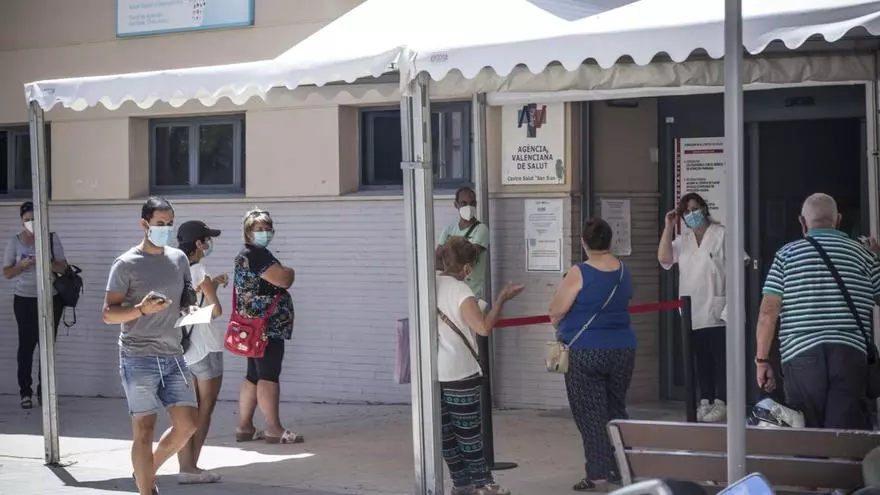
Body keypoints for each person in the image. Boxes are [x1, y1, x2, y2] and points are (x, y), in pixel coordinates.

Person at [756, 193, 880, 430]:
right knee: (844, 434)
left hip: (801, 355)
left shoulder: (786, 255)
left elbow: (768, 312)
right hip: (849, 355)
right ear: (838, 220)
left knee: (808, 433)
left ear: (802, 222)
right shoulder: (864, 255)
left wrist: (762, 360)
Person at [103, 197, 198, 495]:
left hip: (173, 354)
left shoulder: (179, 258)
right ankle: (147, 488)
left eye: (170, 224)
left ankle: (144, 471)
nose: (166, 229)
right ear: (144, 224)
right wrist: (141, 310)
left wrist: (190, 304)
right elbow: (108, 314)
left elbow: (186, 291)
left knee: (187, 425)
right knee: (144, 430)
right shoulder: (125, 264)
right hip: (138, 356)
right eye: (160, 224)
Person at [548, 218, 636, 491]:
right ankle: (622, 468)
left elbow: (555, 312)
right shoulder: (623, 271)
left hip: (585, 350)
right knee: (615, 408)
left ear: (584, 242)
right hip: (623, 349)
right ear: (610, 240)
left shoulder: (579, 272)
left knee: (590, 415)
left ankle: (599, 474)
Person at [435, 236, 524, 495]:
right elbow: (482, 328)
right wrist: (502, 300)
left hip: (436, 372)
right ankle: (484, 484)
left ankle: (461, 484)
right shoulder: (461, 291)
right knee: (469, 433)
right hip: (461, 372)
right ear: (466, 267)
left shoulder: (432, 283)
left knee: (446, 435)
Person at [657, 192, 727, 423]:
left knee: (721, 359)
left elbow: (739, 267)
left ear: (704, 209)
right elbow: (664, 258)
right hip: (692, 310)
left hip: (718, 307)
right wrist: (669, 226)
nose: (691, 214)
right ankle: (705, 400)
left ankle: (722, 401)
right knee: (701, 359)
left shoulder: (721, 234)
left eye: (695, 209)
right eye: (686, 211)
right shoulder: (684, 240)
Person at [233, 208, 301, 445]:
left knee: (253, 375)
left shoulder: (245, 255)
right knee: (268, 376)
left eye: (267, 228)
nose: (264, 232)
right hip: (267, 328)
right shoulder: (258, 256)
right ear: (248, 232)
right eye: (259, 229)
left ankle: (244, 427)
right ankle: (274, 429)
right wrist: (289, 272)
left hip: (252, 326)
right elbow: (283, 279)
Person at [174, 220, 227, 484]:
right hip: (207, 348)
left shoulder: (175, 270)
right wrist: (210, 286)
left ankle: (185, 465)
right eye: (206, 240)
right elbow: (215, 311)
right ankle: (192, 467)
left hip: (184, 351)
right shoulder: (200, 270)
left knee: (187, 412)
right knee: (204, 410)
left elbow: (188, 307)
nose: (209, 244)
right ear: (198, 243)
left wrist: (211, 285)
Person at [3, 201, 67, 409]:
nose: (31, 222)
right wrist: (22, 265)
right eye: (27, 220)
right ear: (22, 221)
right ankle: (25, 391)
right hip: (24, 299)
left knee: (47, 345)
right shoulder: (15, 242)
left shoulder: (51, 238)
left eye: (34, 219)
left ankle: (45, 391)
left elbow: (63, 267)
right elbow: (7, 273)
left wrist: (44, 261)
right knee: (26, 345)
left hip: (50, 298)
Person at [437, 186, 490, 302]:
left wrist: (448, 252)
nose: (468, 207)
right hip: (450, 294)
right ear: (456, 204)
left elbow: (470, 258)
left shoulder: (481, 229)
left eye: (472, 203)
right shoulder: (448, 229)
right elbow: (437, 259)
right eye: (464, 203)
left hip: (472, 294)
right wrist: (456, 253)